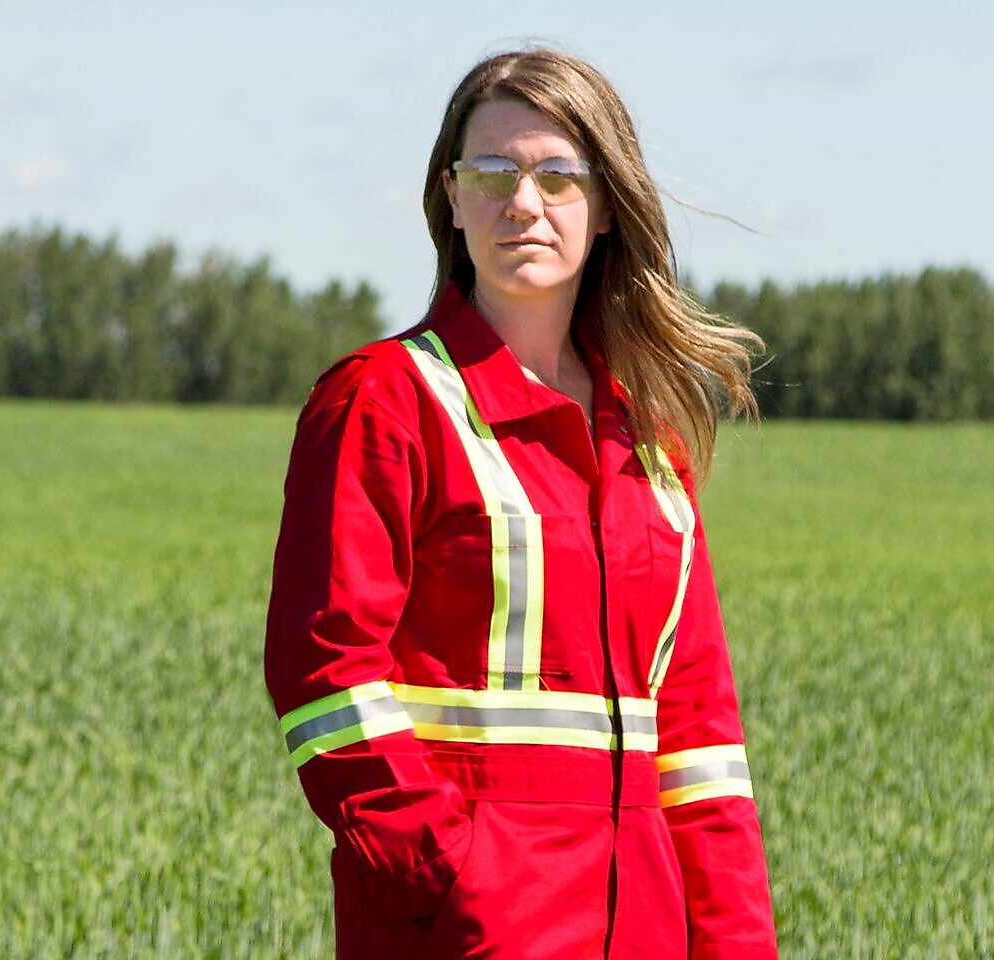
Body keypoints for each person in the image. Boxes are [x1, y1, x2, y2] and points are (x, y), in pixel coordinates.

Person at [262, 48, 776, 959]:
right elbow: (327, 678)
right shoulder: (384, 401)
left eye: (556, 174)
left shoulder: (649, 442)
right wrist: (452, 888)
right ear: (451, 200)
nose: (522, 201)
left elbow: (701, 745)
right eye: (490, 172)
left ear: (607, 204)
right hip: (462, 936)